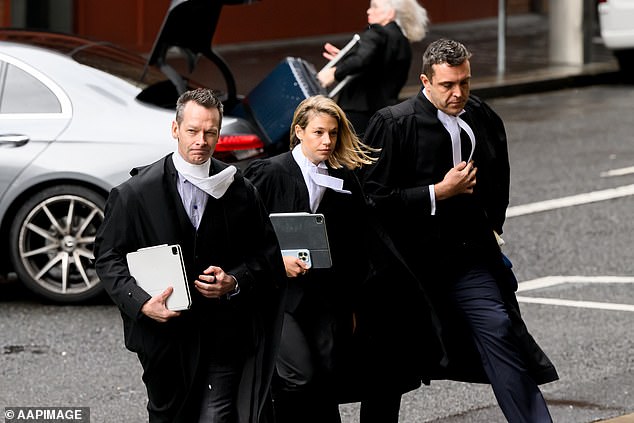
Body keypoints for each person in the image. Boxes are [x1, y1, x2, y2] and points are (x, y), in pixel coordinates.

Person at [358, 38, 559, 423]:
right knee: (392, 362)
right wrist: (437, 192)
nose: (458, 93)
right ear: (425, 81)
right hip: (407, 270)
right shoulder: (393, 124)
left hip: (466, 260)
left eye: (464, 82)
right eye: (448, 85)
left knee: (500, 331)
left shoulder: (479, 115)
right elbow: (372, 199)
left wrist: (490, 227)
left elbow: (499, 175)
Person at [244, 95, 442, 423]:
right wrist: (276, 261)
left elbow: (356, 241)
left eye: (333, 134)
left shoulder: (343, 179)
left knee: (325, 375)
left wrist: (351, 304)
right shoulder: (270, 172)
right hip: (278, 297)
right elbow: (244, 232)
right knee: (301, 375)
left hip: (322, 297)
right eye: (319, 132)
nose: (327, 141)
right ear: (299, 131)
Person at [94, 88, 286, 423]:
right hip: (164, 339)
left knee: (217, 415)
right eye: (193, 131)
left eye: (210, 132)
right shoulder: (135, 194)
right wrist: (140, 302)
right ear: (175, 129)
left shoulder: (239, 189)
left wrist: (234, 281)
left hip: (223, 332)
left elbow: (266, 255)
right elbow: (108, 257)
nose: (201, 140)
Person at [316, 0, 429, 135]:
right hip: (385, 113)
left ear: (390, 13)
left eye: (374, 7)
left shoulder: (377, 32)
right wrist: (347, 59)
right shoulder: (403, 42)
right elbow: (375, 63)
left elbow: (361, 60)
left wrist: (334, 72)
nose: (368, 11)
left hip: (357, 111)